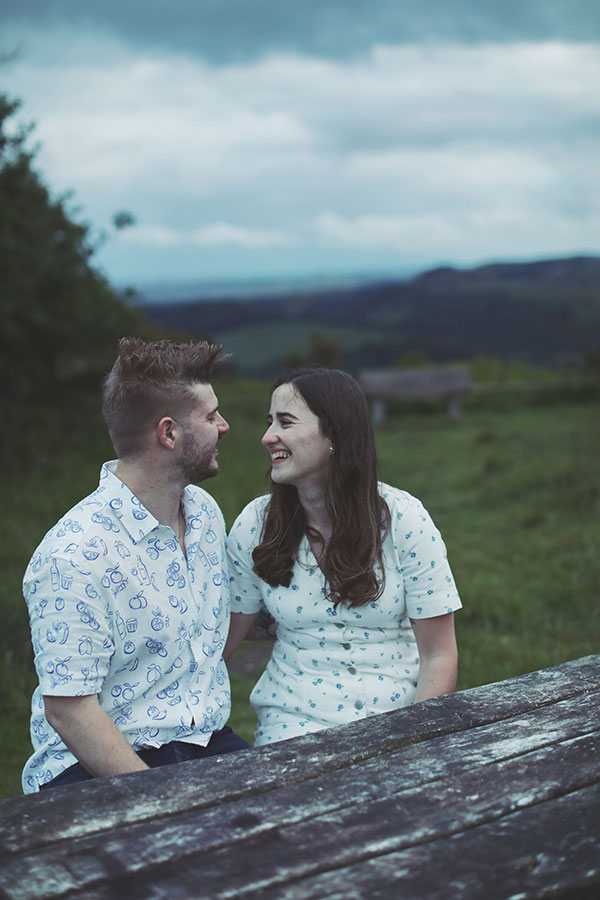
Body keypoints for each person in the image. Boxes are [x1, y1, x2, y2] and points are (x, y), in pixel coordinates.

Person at [22, 337, 249, 793]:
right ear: (169, 433)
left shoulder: (203, 512)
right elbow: (68, 709)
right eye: (209, 416)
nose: (224, 425)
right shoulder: (73, 554)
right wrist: (155, 801)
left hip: (204, 740)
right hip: (95, 764)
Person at [224, 368, 461, 746]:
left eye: (285, 422)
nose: (268, 437)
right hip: (293, 726)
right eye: (269, 422)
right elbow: (222, 638)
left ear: (333, 432)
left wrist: (413, 740)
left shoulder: (403, 518)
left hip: (397, 720)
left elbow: (439, 655)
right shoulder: (256, 523)